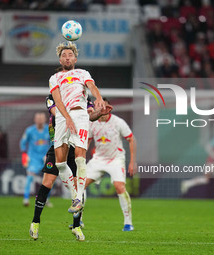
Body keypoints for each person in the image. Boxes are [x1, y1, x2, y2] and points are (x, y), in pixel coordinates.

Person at [30, 42, 106, 241]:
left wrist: (98, 108)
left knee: (81, 162)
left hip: (76, 131)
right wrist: (68, 117)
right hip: (61, 132)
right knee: (50, 178)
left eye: (70, 54)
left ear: (75, 58)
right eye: (64, 55)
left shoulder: (83, 79)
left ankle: (76, 222)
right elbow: (55, 110)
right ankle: (35, 222)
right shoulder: (54, 85)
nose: (67, 57)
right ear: (60, 59)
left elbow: (90, 114)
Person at [84, 98, 137, 231]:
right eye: (98, 106)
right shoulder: (92, 123)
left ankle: (128, 223)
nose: (101, 109)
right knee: (80, 185)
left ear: (108, 107)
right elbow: (87, 141)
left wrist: (132, 162)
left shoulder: (118, 122)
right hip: (98, 159)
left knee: (119, 187)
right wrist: (81, 158)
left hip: (116, 159)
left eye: (104, 106)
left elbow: (131, 139)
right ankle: (78, 221)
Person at [20, 112, 50, 206]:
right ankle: (26, 199)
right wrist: (24, 154)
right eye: (38, 119)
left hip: (45, 157)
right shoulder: (29, 130)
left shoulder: (49, 130)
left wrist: (50, 154)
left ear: (45, 119)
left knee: (49, 179)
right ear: (35, 120)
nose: (40, 121)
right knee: (30, 177)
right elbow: (23, 143)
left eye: (42, 119)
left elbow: (53, 142)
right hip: (33, 158)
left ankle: (46, 200)